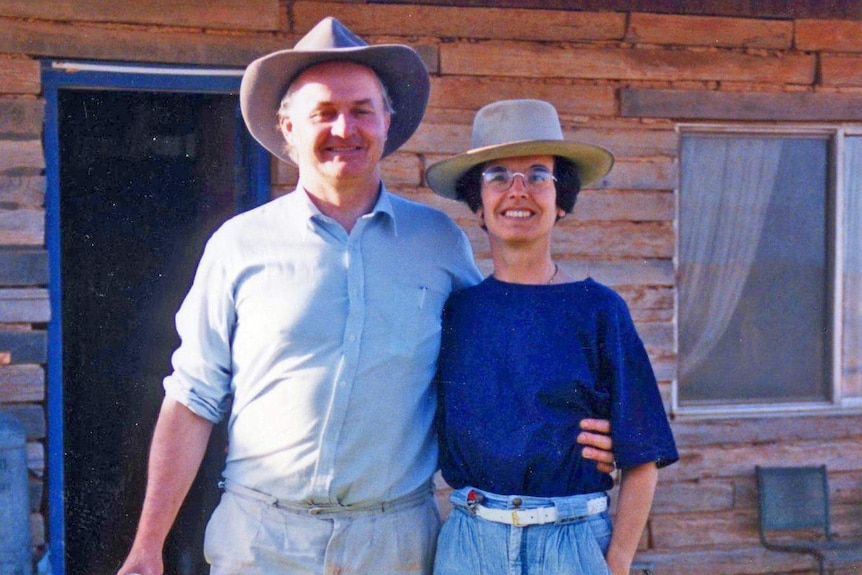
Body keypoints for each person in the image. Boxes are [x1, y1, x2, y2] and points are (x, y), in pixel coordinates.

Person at [117, 19, 615, 575]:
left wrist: (592, 426)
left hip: (396, 542)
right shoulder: (239, 245)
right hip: (261, 541)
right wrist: (147, 546)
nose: (343, 128)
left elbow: (497, 361)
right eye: (323, 112)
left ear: (386, 121)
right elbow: (192, 398)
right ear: (287, 127)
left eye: (360, 110)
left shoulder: (438, 241)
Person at [426, 99, 679, 575]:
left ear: (561, 199)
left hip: (572, 542)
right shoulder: (457, 312)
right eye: (498, 175)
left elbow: (642, 454)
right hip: (470, 542)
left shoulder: (598, 309)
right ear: (476, 201)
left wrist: (618, 560)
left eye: (538, 175)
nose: (518, 191)